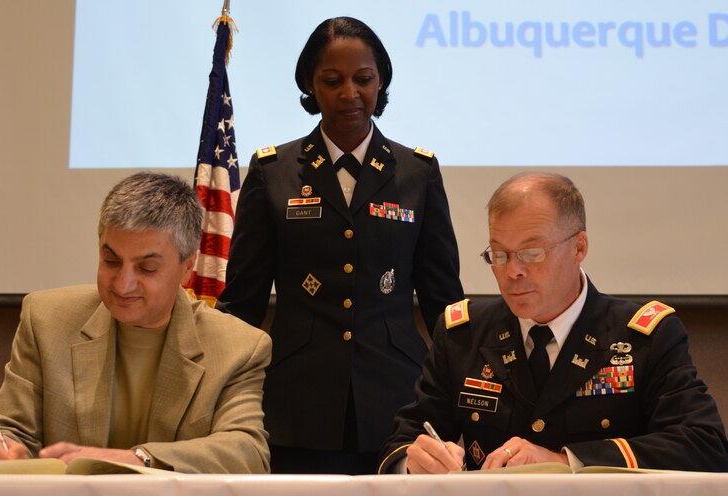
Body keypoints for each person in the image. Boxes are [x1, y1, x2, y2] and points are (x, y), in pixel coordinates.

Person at [216, 17, 463, 474]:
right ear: (310, 85)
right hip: (296, 399)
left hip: (398, 399)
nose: (349, 93)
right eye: (332, 81)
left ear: (381, 81)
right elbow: (243, 301)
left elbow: (442, 299)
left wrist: (464, 391)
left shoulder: (417, 172)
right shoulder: (273, 171)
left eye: (363, 79)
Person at [378, 171, 728, 473]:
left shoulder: (643, 336)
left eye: (532, 253)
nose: (513, 271)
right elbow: (403, 440)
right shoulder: (464, 334)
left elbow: (704, 444)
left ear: (579, 248)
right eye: (498, 255)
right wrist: (414, 461)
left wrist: (565, 461)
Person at [0, 172, 272, 473]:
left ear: (187, 268)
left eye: (147, 268)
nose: (123, 285)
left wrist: (137, 458)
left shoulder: (238, 347)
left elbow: (247, 452)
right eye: (111, 261)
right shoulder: (46, 319)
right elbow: (12, 430)